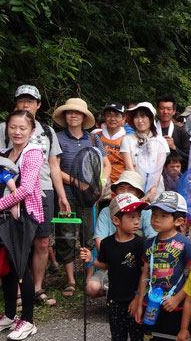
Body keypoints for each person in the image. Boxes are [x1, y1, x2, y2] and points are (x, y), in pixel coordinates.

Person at [0, 85, 70, 308]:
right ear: (15, 103)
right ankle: (19, 289)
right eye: (22, 100)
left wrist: (61, 195)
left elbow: (54, 165)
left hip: (44, 190)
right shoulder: (5, 128)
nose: (26, 104)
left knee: (41, 241)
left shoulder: (47, 131)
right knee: (15, 241)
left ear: (38, 105)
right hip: (12, 191)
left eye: (31, 100)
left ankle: (37, 287)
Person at [130, 191, 191, 341]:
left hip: (176, 307)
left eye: (162, 215)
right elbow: (144, 273)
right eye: (153, 214)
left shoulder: (184, 244)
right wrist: (140, 300)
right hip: (151, 306)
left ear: (179, 221)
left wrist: (179, 296)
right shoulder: (149, 244)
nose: (155, 219)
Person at [80, 193, 149, 341]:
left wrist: (138, 299)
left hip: (135, 300)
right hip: (115, 299)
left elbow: (145, 274)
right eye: (131, 217)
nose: (137, 221)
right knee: (117, 340)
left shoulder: (140, 244)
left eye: (138, 216)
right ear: (116, 221)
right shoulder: (108, 244)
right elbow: (107, 265)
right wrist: (91, 260)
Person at [54, 98, 110, 297]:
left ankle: (88, 276)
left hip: (90, 199)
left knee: (88, 236)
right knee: (66, 236)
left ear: (84, 117)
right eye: (70, 112)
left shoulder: (93, 139)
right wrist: (79, 184)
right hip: (67, 196)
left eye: (78, 113)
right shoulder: (58, 138)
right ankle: (70, 280)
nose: (74, 115)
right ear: (65, 116)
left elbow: (106, 164)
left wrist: (100, 185)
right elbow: (55, 169)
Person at [0, 110, 44, 340]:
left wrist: (0, 204)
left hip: (25, 215)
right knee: (6, 267)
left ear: (32, 131)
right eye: (13, 127)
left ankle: (28, 320)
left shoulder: (33, 153)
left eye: (23, 128)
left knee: (19, 267)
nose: (17, 132)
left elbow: (26, 189)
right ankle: (9, 315)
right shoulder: (5, 153)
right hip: (5, 217)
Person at [91, 171, 157, 298]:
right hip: (112, 263)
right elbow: (99, 241)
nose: (125, 192)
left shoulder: (146, 211)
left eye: (131, 189)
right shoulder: (106, 211)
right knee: (92, 288)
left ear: (138, 194)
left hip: (138, 265)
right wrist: (116, 260)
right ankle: (115, 295)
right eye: (121, 188)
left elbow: (152, 239)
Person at [120, 102, 169, 202]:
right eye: (136, 117)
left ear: (151, 119)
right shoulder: (127, 140)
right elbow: (129, 167)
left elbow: (158, 169)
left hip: (156, 189)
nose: (139, 120)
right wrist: (137, 190)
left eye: (143, 116)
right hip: (134, 189)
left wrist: (153, 190)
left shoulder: (161, 141)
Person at [155, 95, 190, 167]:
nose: (165, 112)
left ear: (174, 111)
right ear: (157, 110)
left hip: (176, 174)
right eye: (162, 108)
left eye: (169, 109)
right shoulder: (151, 131)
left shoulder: (181, 132)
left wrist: (174, 147)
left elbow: (188, 158)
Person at [99, 102, 127, 187]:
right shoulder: (95, 137)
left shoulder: (127, 140)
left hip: (120, 186)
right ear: (104, 117)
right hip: (99, 186)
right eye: (109, 115)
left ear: (123, 118)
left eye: (116, 116)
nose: (112, 119)